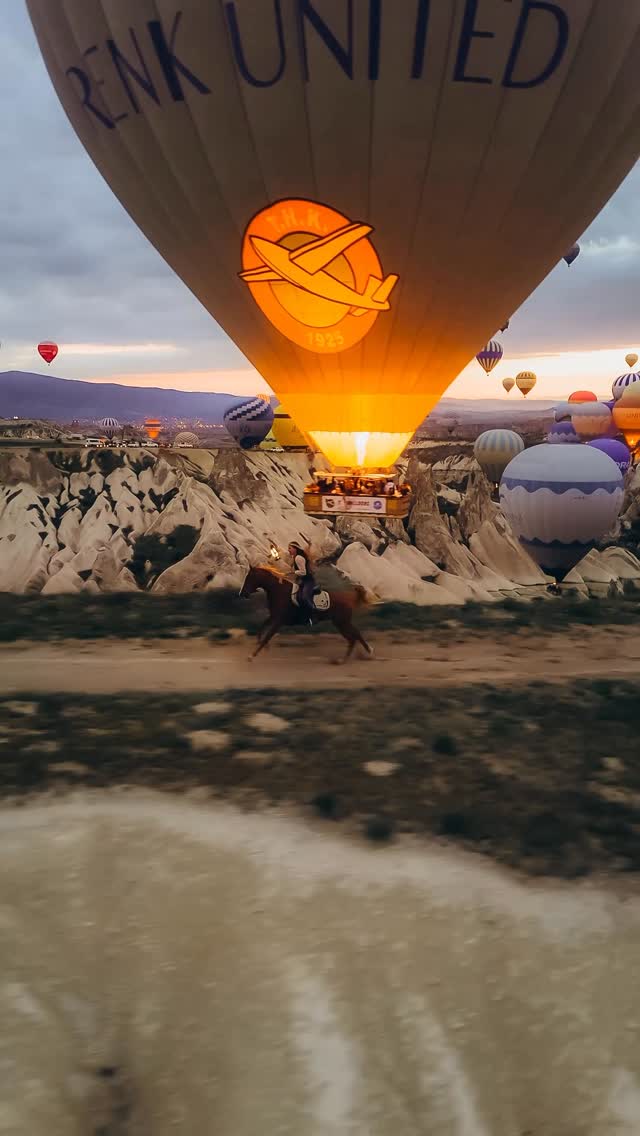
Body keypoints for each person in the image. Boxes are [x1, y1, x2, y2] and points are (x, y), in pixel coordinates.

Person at [288, 541, 315, 624]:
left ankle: (313, 615)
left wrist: (293, 573)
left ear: (295, 549)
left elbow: (303, 572)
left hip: (308, 581)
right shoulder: (295, 557)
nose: (288, 550)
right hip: (302, 581)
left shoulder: (298, 558)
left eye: (290, 548)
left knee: (305, 597)